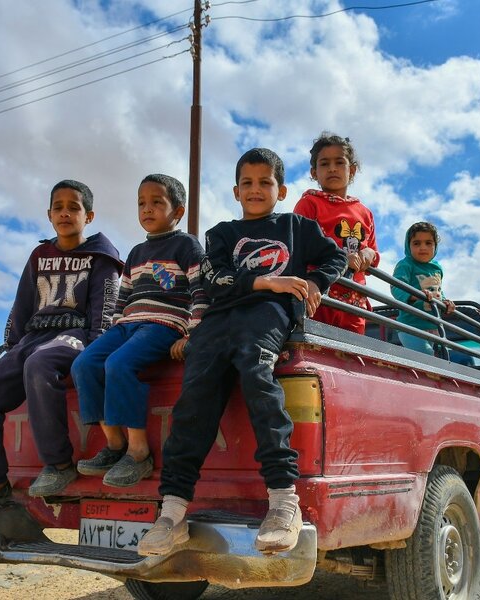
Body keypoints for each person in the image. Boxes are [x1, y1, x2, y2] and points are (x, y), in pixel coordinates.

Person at [137, 148, 348, 557]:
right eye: (247, 183)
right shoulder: (221, 233)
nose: (255, 189)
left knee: (257, 377)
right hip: (220, 319)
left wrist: (318, 283)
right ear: (236, 191)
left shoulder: (298, 227)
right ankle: (173, 511)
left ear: (281, 189)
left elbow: (336, 254)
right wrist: (268, 282)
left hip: (268, 316)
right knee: (192, 401)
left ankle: (283, 501)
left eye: (264, 182)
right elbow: (214, 279)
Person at [0, 180, 123, 516]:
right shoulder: (40, 255)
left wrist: (98, 345)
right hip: (32, 337)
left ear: (89, 215)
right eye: (58, 207)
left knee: (40, 365)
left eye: (74, 207)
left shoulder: (101, 257)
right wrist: (9, 348)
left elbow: (105, 305)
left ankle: (58, 464)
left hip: (74, 335)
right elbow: (21, 306)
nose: (65, 213)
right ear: (49, 214)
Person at [71, 174, 208, 488]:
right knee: (84, 364)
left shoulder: (186, 245)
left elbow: (201, 291)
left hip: (163, 324)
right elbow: (123, 299)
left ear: (178, 211)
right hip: (128, 325)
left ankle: (138, 451)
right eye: (142, 203)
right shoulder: (134, 253)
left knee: (118, 364)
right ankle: (114, 444)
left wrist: (192, 333)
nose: (147, 209)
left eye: (157, 202)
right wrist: (115, 328)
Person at [293, 132, 379, 335]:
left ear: (353, 170)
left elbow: (373, 253)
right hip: (320, 297)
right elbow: (297, 246)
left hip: (354, 303)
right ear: (314, 172)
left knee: (350, 360)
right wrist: (340, 258)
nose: (332, 168)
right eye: (324, 163)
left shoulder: (364, 212)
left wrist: (368, 254)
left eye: (340, 162)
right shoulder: (309, 204)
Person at [389, 221, 455, 354]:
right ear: (408, 246)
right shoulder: (406, 264)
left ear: (435, 246)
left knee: (445, 356)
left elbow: (437, 289)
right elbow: (396, 287)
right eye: (416, 243)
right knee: (427, 355)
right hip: (411, 326)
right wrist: (413, 295)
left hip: (433, 325)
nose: (423, 247)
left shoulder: (437, 268)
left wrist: (445, 302)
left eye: (428, 243)